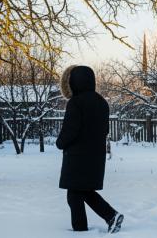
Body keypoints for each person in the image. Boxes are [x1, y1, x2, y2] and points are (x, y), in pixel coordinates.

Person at [56, 65, 123, 233]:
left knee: (74, 194)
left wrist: (60, 143)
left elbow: (70, 131)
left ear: (71, 83)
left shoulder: (75, 103)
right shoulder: (101, 102)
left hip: (78, 157)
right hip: (96, 156)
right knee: (84, 191)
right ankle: (111, 216)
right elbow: (105, 130)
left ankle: (80, 231)